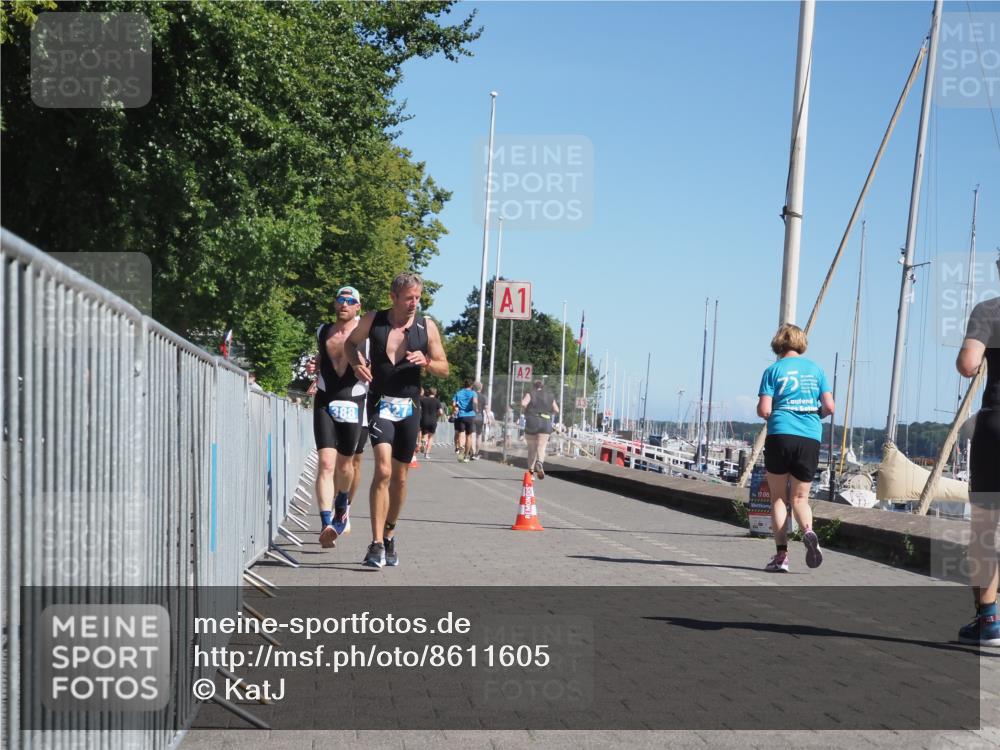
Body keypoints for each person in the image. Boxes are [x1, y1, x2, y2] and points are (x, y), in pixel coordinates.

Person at [345, 273, 449, 569]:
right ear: (393, 297)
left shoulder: (426, 327)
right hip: (381, 404)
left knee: (401, 478)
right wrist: (356, 364)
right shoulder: (373, 320)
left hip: (410, 408)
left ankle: (390, 535)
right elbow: (351, 345)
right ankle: (376, 544)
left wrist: (427, 362)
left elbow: (445, 368)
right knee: (383, 469)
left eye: (418, 297)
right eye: (408, 298)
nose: (414, 303)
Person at [756, 324, 835, 573]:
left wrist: (779, 414)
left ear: (778, 343)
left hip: (780, 433)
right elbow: (830, 407)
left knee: (778, 498)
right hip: (809, 436)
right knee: (800, 498)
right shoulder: (817, 370)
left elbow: (765, 410)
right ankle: (809, 531)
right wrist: (815, 415)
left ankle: (781, 557)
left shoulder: (772, 370)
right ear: (801, 343)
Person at [955, 259, 1000, 646]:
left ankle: (989, 622)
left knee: (984, 530)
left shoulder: (989, 311)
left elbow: (968, 365)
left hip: (996, 425)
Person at [311, 287, 368, 549]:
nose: (344, 304)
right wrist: (315, 366)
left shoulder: (366, 335)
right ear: (335, 304)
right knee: (325, 463)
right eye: (340, 300)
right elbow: (321, 359)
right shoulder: (323, 331)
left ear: (358, 306)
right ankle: (326, 523)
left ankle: (342, 503)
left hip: (353, 400)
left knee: (347, 466)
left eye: (350, 301)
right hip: (325, 398)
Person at [521, 379, 558, 479]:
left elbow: (524, 403)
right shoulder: (550, 395)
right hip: (545, 422)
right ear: (543, 386)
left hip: (532, 421)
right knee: (541, 447)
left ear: (534, 386)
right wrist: (548, 413)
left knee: (531, 449)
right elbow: (556, 409)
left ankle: (531, 473)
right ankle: (539, 462)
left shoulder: (530, 393)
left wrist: (527, 411)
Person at [452, 380, 478, 462]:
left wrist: (455, 409)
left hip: (461, 415)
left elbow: (453, 404)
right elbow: (475, 402)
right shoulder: (473, 393)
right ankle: (466, 456)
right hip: (470, 416)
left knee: (460, 434)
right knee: (469, 436)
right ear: (471, 385)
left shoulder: (458, 393)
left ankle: (460, 451)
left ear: (464, 384)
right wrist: (475, 408)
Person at [419, 387, 442, 459]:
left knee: (424, 435)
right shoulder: (437, 401)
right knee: (431, 437)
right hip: (433, 420)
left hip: (424, 420)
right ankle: (427, 454)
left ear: (428, 392)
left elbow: (419, 409)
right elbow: (441, 412)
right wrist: (437, 416)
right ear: (435, 393)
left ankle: (423, 442)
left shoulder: (422, 400)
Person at [471, 381, 485, 460]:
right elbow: (486, 408)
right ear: (481, 388)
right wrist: (490, 419)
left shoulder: (472, 395)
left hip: (472, 416)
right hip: (480, 417)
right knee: (479, 436)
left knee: (473, 435)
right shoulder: (483, 397)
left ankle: (472, 453)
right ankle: (476, 454)